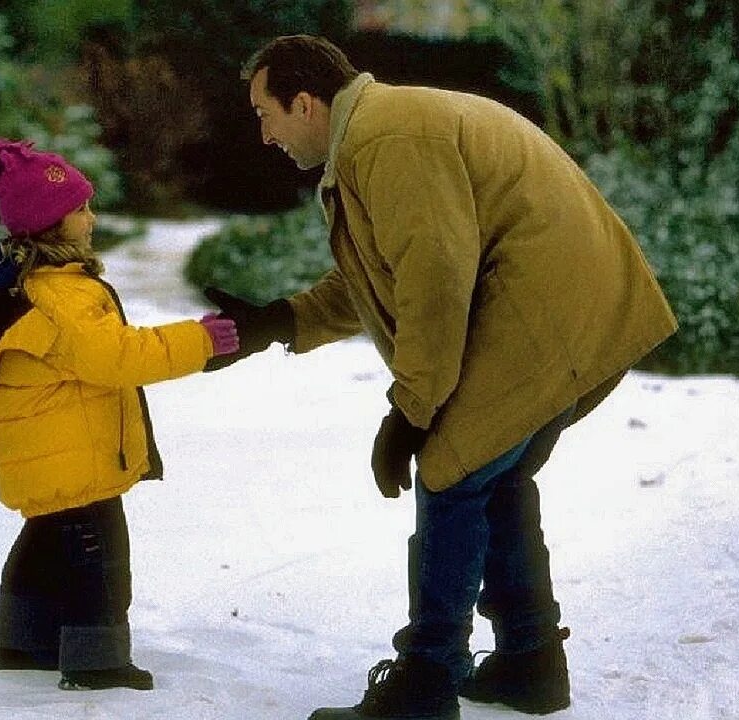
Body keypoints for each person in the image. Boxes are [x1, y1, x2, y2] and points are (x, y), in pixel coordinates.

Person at [204, 35, 678, 720]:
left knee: (453, 470)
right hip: (560, 298)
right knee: (491, 472)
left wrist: (412, 413)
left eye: (263, 113)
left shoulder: (387, 139)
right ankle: (529, 660)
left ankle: (425, 681)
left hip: (542, 303)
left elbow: (434, 279)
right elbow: (382, 273)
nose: (262, 132)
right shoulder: (375, 135)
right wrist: (279, 320)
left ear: (304, 103)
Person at [0, 139, 238, 692]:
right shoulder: (62, 297)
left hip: (52, 457)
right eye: (80, 208)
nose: (91, 218)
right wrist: (201, 340)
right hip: (75, 461)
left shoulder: (30, 288)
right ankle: (97, 661)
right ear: (50, 223)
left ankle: (23, 641)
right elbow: (116, 357)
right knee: (100, 560)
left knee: (46, 545)